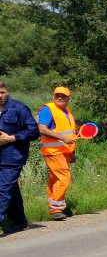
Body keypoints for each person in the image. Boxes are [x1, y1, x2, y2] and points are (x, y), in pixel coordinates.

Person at [0, 81, 41, 234]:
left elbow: (34, 132)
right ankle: (19, 221)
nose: (0, 96)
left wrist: (12, 138)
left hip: (13, 157)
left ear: (7, 92)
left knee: (2, 189)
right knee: (10, 189)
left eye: (2, 92)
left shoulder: (19, 108)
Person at [37, 86, 78, 220]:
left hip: (63, 152)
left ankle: (56, 206)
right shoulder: (48, 110)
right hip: (53, 151)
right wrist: (62, 138)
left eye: (63, 96)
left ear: (68, 98)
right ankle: (56, 209)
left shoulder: (67, 111)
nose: (60, 98)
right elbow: (42, 129)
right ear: (53, 96)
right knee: (63, 178)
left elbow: (70, 134)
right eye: (57, 95)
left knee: (55, 179)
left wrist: (72, 152)